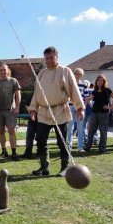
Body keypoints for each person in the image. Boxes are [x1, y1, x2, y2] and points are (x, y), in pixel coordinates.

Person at [27, 46, 85, 177]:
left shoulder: (65, 71)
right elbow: (37, 94)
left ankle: (64, 168)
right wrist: (33, 110)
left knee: (62, 141)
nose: (48, 61)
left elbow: (73, 89)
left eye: (51, 58)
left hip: (60, 111)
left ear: (57, 57)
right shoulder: (41, 73)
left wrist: (79, 108)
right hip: (43, 112)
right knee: (40, 140)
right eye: (46, 58)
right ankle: (44, 167)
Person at [0, 64, 21, 161]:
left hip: (10, 110)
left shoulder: (13, 81)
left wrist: (17, 107)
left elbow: (18, 95)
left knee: (11, 131)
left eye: (4, 70)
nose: (2, 72)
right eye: (0, 70)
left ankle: (14, 152)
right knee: (1, 132)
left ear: (8, 70)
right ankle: (4, 151)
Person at [83, 74, 113, 153]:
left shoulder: (107, 90)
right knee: (91, 130)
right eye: (98, 80)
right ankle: (87, 147)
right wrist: (91, 105)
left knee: (103, 130)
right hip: (94, 112)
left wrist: (111, 107)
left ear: (104, 82)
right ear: (96, 82)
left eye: (101, 80)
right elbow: (88, 99)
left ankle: (102, 148)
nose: (99, 82)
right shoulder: (95, 91)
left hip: (104, 113)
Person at [66, 68, 89, 152]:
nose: (77, 76)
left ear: (82, 75)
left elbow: (86, 97)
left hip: (80, 107)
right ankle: (68, 147)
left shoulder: (84, 84)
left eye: (79, 74)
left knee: (81, 128)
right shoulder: (70, 83)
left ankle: (80, 147)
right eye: (76, 74)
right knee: (70, 127)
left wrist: (84, 107)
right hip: (71, 107)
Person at [21, 92, 38, 159]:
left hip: (42, 119)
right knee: (29, 136)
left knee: (40, 138)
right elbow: (27, 104)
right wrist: (31, 112)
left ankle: (40, 153)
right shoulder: (33, 94)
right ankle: (28, 153)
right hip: (32, 119)